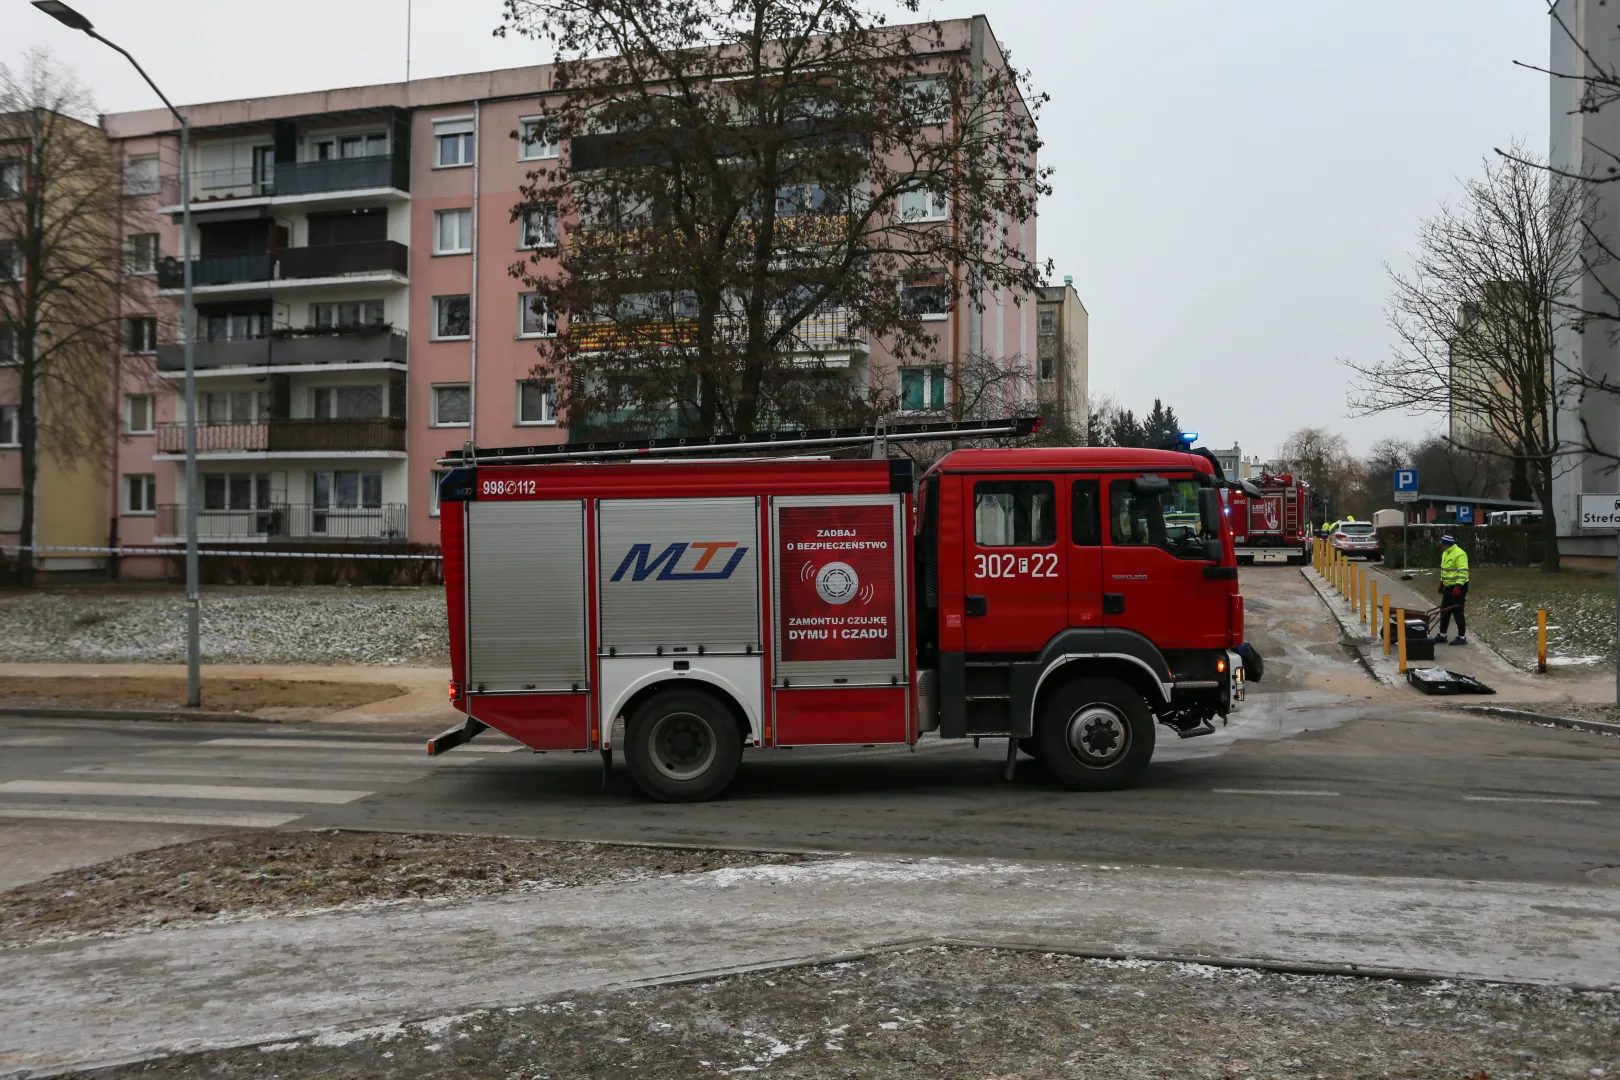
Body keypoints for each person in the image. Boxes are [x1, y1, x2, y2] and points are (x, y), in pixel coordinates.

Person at [1437, 534, 1470, 644]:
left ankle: (1461, 637)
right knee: (1444, 611)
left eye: (1442, 544)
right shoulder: (1445, 553)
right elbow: (1444, 570)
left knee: (1457, 612)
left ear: (1447, 544)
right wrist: (1442, 582)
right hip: (1448, 586)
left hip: (1459, 587)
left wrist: (1459, 586)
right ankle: (1442, 635)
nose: (1441, 546)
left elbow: (1463, 572)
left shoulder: (1460, 554)